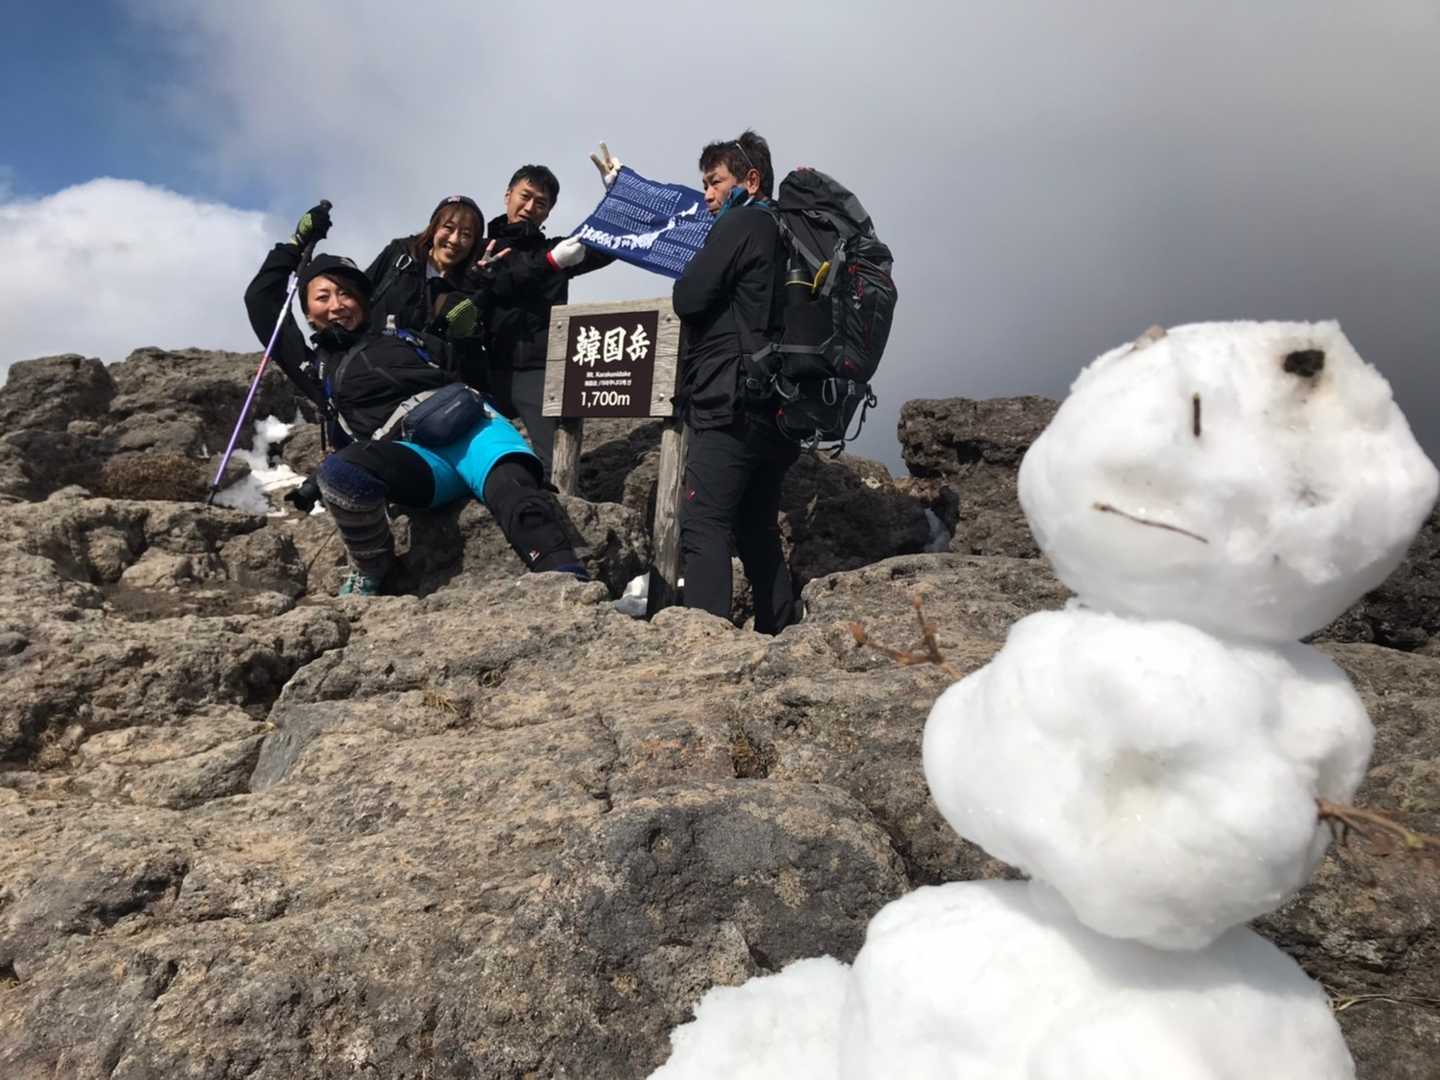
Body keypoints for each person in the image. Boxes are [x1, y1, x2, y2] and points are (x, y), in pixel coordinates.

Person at [243, 203, 586, 596]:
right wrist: (294, 245)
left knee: (521, 500)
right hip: (415, 460)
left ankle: (572, 586)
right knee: (340, 472)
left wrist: (468, 330)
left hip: (474, 428)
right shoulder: (312, 367)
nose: (337, 305)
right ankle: (373, 566)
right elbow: (261, 301)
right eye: (323, 297)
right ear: (307, 312)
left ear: (363, 303)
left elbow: (471, 365)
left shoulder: (405, 334)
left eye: (347, 294)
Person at [672, 130, 800, 634]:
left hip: (730, 399)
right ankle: (782, 637)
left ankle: (703, 653)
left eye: (714, 182)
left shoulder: (743, 221)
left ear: (750, 179)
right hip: (778, 407)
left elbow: (688, 297)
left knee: (703, 523)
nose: (707, 194)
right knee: (755, 530)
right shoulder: (787, 232)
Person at [473, 160, 616, 479]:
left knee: (553, 466)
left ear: (548, 212)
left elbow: (607, 245)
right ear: (507, 195)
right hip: (485, 370)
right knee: (478, 459)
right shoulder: (479, 248)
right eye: (525, 196)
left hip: (539, 371)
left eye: (541, 203)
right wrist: (549, 263)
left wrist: (616, 197)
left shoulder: (559, 249)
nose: (530, 207)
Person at [364, 195, 492, 390]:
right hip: (369, 365)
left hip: (421, 384)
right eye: (448, 228)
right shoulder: (400, 254)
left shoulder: (467, 289)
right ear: (433, 228)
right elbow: (356, 293)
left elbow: (467, 358)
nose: (454, 240)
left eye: (466, 235)